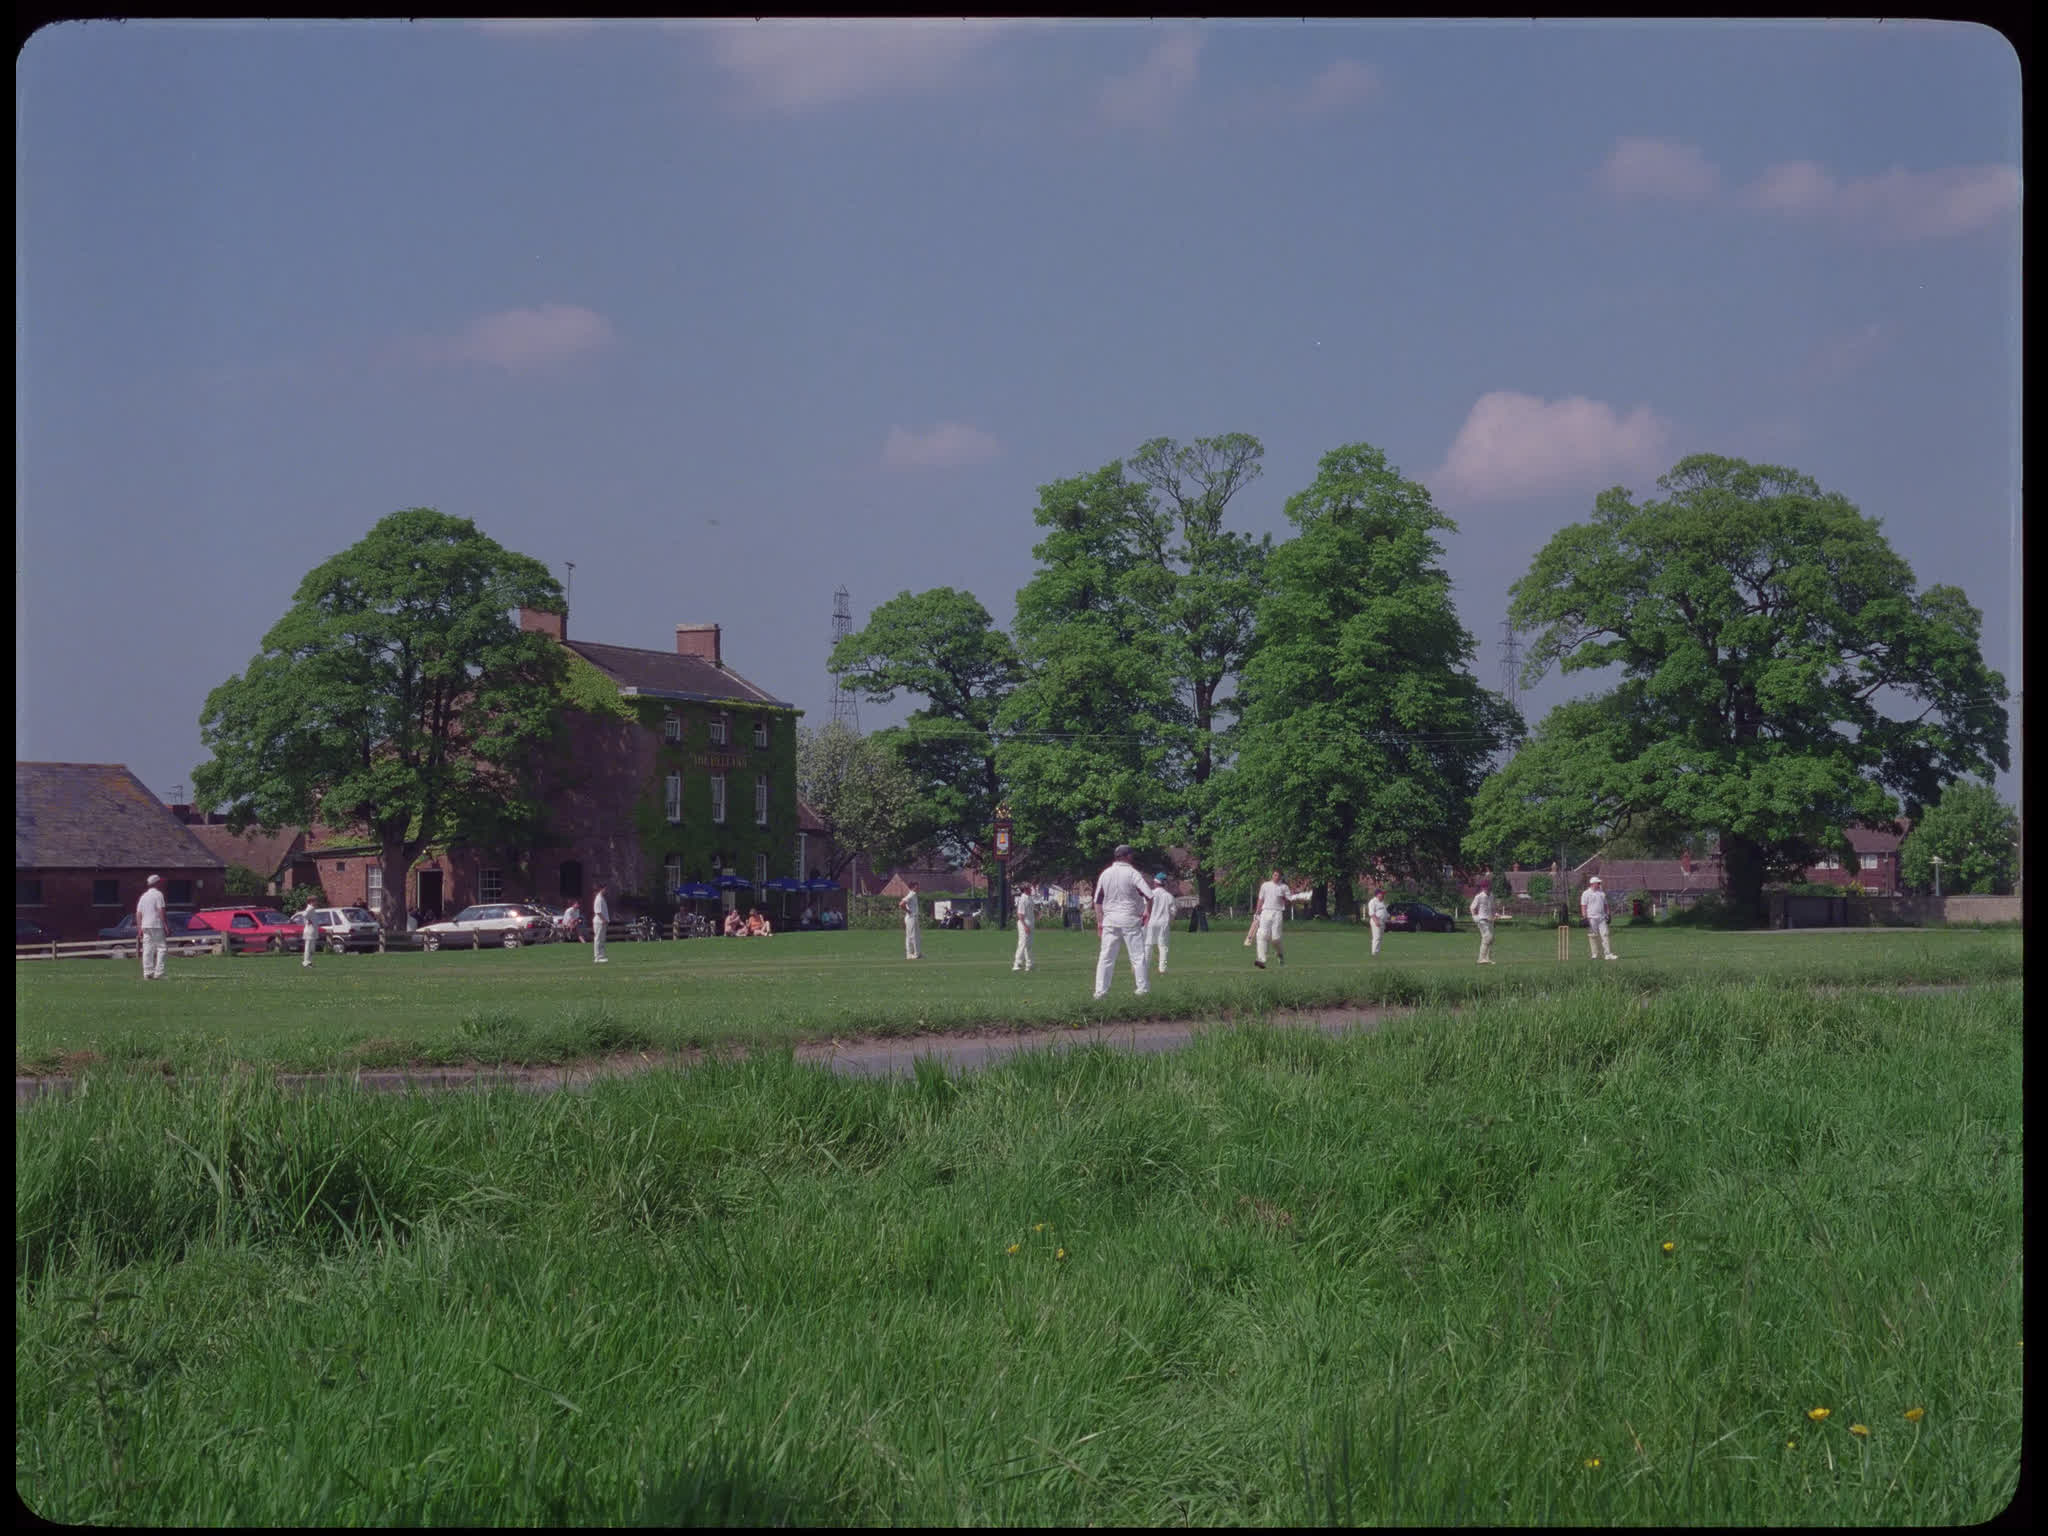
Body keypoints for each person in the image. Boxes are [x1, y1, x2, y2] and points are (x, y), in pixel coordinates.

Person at [1091, 844, 1151, 999]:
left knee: (1106, 957)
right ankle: (1142, 990)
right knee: (1137, 956)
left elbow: (1097, 900)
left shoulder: (1105, 874)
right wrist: (1147, 912)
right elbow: (1149, 895)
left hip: (1110, 920)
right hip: (1130, 919)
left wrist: (1099, 922)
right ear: (1128, 856)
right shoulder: (1132, 873)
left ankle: (1100, 992)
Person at [1252, 868, 1303, 969]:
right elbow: (1260, 899)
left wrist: (1289, 897)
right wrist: (1257, 912)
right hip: (1265, 911)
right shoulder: (1265, 885)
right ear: (1272, 875)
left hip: (1277, 912)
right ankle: (1261, 960)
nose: (1276, 877)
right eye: (1275, 875)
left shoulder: (1284, 887)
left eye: (1278, 876)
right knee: (1262, 935)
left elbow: (1290, 900)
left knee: (1276, 939)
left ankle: (1280, 954)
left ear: (1281, 877)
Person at [136, 873, 169, 981]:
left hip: (145, 925)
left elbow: (138, 913)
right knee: (161, 948)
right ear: (157, 883)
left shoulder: (144, 896)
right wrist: (165, 925)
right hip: (156, 925)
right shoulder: (158, 894)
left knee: (147, 949)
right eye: (160, 882)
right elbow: (160, 910)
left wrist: (139, 928)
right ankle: (159, 973)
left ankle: (147, 972)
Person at [1144, 873, 1176, 976]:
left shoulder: (1150, 894)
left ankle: (1144, 967)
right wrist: (1170, 921)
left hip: (1151, 922)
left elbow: (1144, 909)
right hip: (1163, 922)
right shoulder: (1169, 896)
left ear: (1155, 883)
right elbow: (1173, 912)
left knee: (1148, 945)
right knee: (1163, 946)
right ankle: (1162, 968)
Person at [1580, 875, 1617, 961]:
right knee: (1592, 936)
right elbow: (1583, 906)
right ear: (1593, 884)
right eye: (1598, 883)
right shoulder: (1586, 893)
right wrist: (1584, 917)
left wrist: (1608, 914)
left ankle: (1608, 954)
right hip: (1591, 918)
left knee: (1605, 934)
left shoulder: (1601, 893)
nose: (1600, 884)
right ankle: (1594, 954)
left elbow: (1606, 905)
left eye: (1600, 883)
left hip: (1602, 918)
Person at [1469, 874, 1496, 965]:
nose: (1488, 889)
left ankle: (1488, 958)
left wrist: (1495, 915)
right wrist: (1475, 918)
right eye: (1486, 887)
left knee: (1491, 939)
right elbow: (1472, 908)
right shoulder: (1479, 896)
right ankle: (1481, 959)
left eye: (1489, 887)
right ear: (1483, 888)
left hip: (1490, 920)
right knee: (1487, 937)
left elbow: (1492, 908)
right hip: (1482, 920)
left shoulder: (1491, 895)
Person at [1011, 880, 1036, 972]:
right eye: (1029, 887)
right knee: (1022, 943)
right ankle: (1017, 964)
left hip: (1030, 923)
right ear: (1025, 889)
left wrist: (1036, 914)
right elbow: (1020, 914)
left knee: (1029, 945)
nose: (1031, 889)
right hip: (1024, 923)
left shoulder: (1029, 898)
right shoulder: (1023, 899)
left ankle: (1029, 965)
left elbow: (1031, 910)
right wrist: (1025, 926)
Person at [296, 895, 321, 969]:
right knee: (308, 947)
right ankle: (306, 962)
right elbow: (304, 915)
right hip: (309, 930)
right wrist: (308, 920)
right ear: (311, 901)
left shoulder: (312, 908)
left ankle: (309, 962)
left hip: (313, 930)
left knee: (312, 948)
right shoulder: (310, 908)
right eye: (315, 900)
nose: (317, 902)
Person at [1367, 886, 1389, 956]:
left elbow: (1384, 911)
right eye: (1382, 894)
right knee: (1376, 937)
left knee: (1380, 937)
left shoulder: (1382, 902)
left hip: (1382, 921)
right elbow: (1371, 913)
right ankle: (1374, 952)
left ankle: (1377, 952)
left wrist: (1388, 917)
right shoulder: (1373, 902)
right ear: (1377, 894)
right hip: (1376, 921)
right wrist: (1376, 921)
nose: (1383, 895)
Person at [591, 883, 610, 963]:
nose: (606, 891)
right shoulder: (598, 898)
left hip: (603, 921)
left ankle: (601, 956)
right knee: (598, 939)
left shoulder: (602, 898)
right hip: (599, 922)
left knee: (602, 939)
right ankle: (597, 957)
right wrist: (603, 920)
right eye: (605, 889)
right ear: (601, 889)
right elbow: (598, 911)